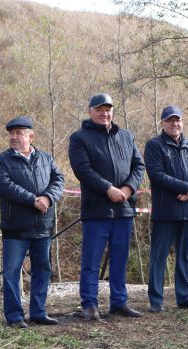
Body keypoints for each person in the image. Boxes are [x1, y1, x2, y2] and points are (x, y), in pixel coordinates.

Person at [68, 93, 146, 321]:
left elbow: (139, 166)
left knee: (120, 258)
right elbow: (82, 169)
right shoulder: (79, 138)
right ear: (90, 111)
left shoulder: (126, 136)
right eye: (100, 109)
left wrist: (129, 189)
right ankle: (90, 304)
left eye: (108, 109)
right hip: (96, 209)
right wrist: (108, 189)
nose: (105, 113)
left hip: (124, 208)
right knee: (91, 261)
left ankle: (119, 302)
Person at [0, 116, 65, 328]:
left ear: (31, 136)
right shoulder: (1, 160)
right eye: (11, 134)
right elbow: (2, 185)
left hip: (43, 226)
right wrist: (33, 200)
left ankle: (38, 313)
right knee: (12, 272)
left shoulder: (46, 158)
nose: (14, 137)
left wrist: (48, 198)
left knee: (42, 270)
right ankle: (14, 317)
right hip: (15, 227)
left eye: (19, 133)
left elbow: (58, 179)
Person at [144, 105, 188, 313]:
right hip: (165, 210)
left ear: (182, 122)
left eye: (177, 120)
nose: (174, 124)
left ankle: (184, 296)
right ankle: (156, 299)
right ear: (162, 123)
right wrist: (185, 187)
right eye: (170, 120)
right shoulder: (154, 146)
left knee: (184, 255)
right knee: (159, 256)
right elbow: (156, 175)